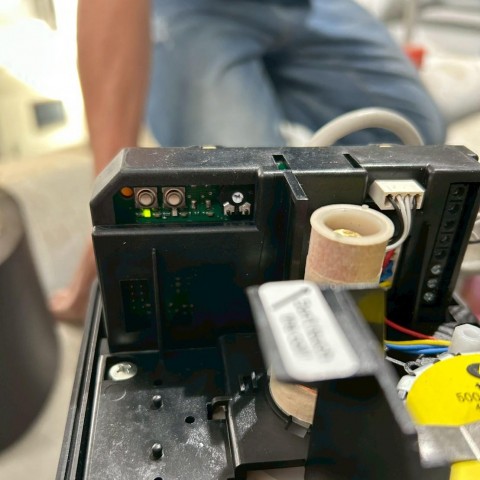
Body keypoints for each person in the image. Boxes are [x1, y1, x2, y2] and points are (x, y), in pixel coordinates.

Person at [50, 0, 446, 322]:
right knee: (252, 205)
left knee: (415, 135)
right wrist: (108, 200)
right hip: (193, 8)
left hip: (308, 6)